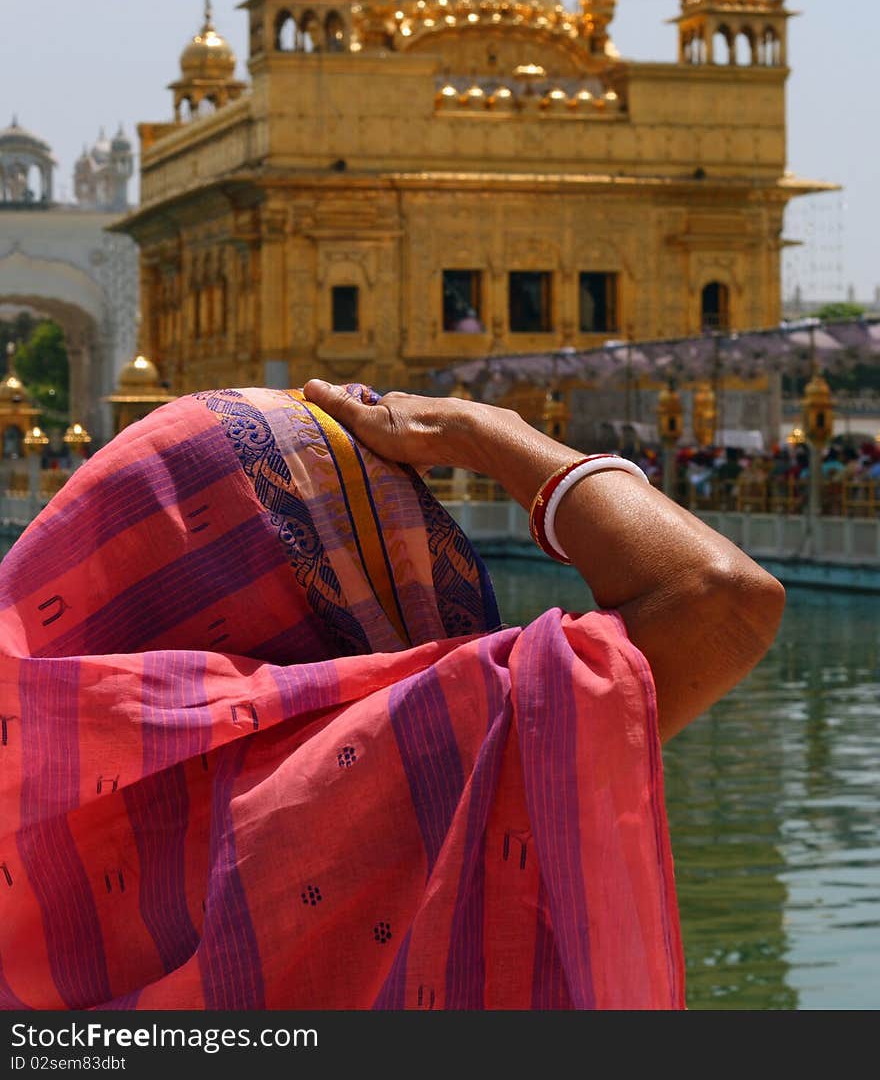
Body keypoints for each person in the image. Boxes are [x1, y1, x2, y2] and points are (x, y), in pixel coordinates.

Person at [0, 381, 784, 1012]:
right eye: (379, 505)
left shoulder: (32, 818)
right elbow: (718, 597)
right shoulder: (412, 759)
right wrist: (486, 433)